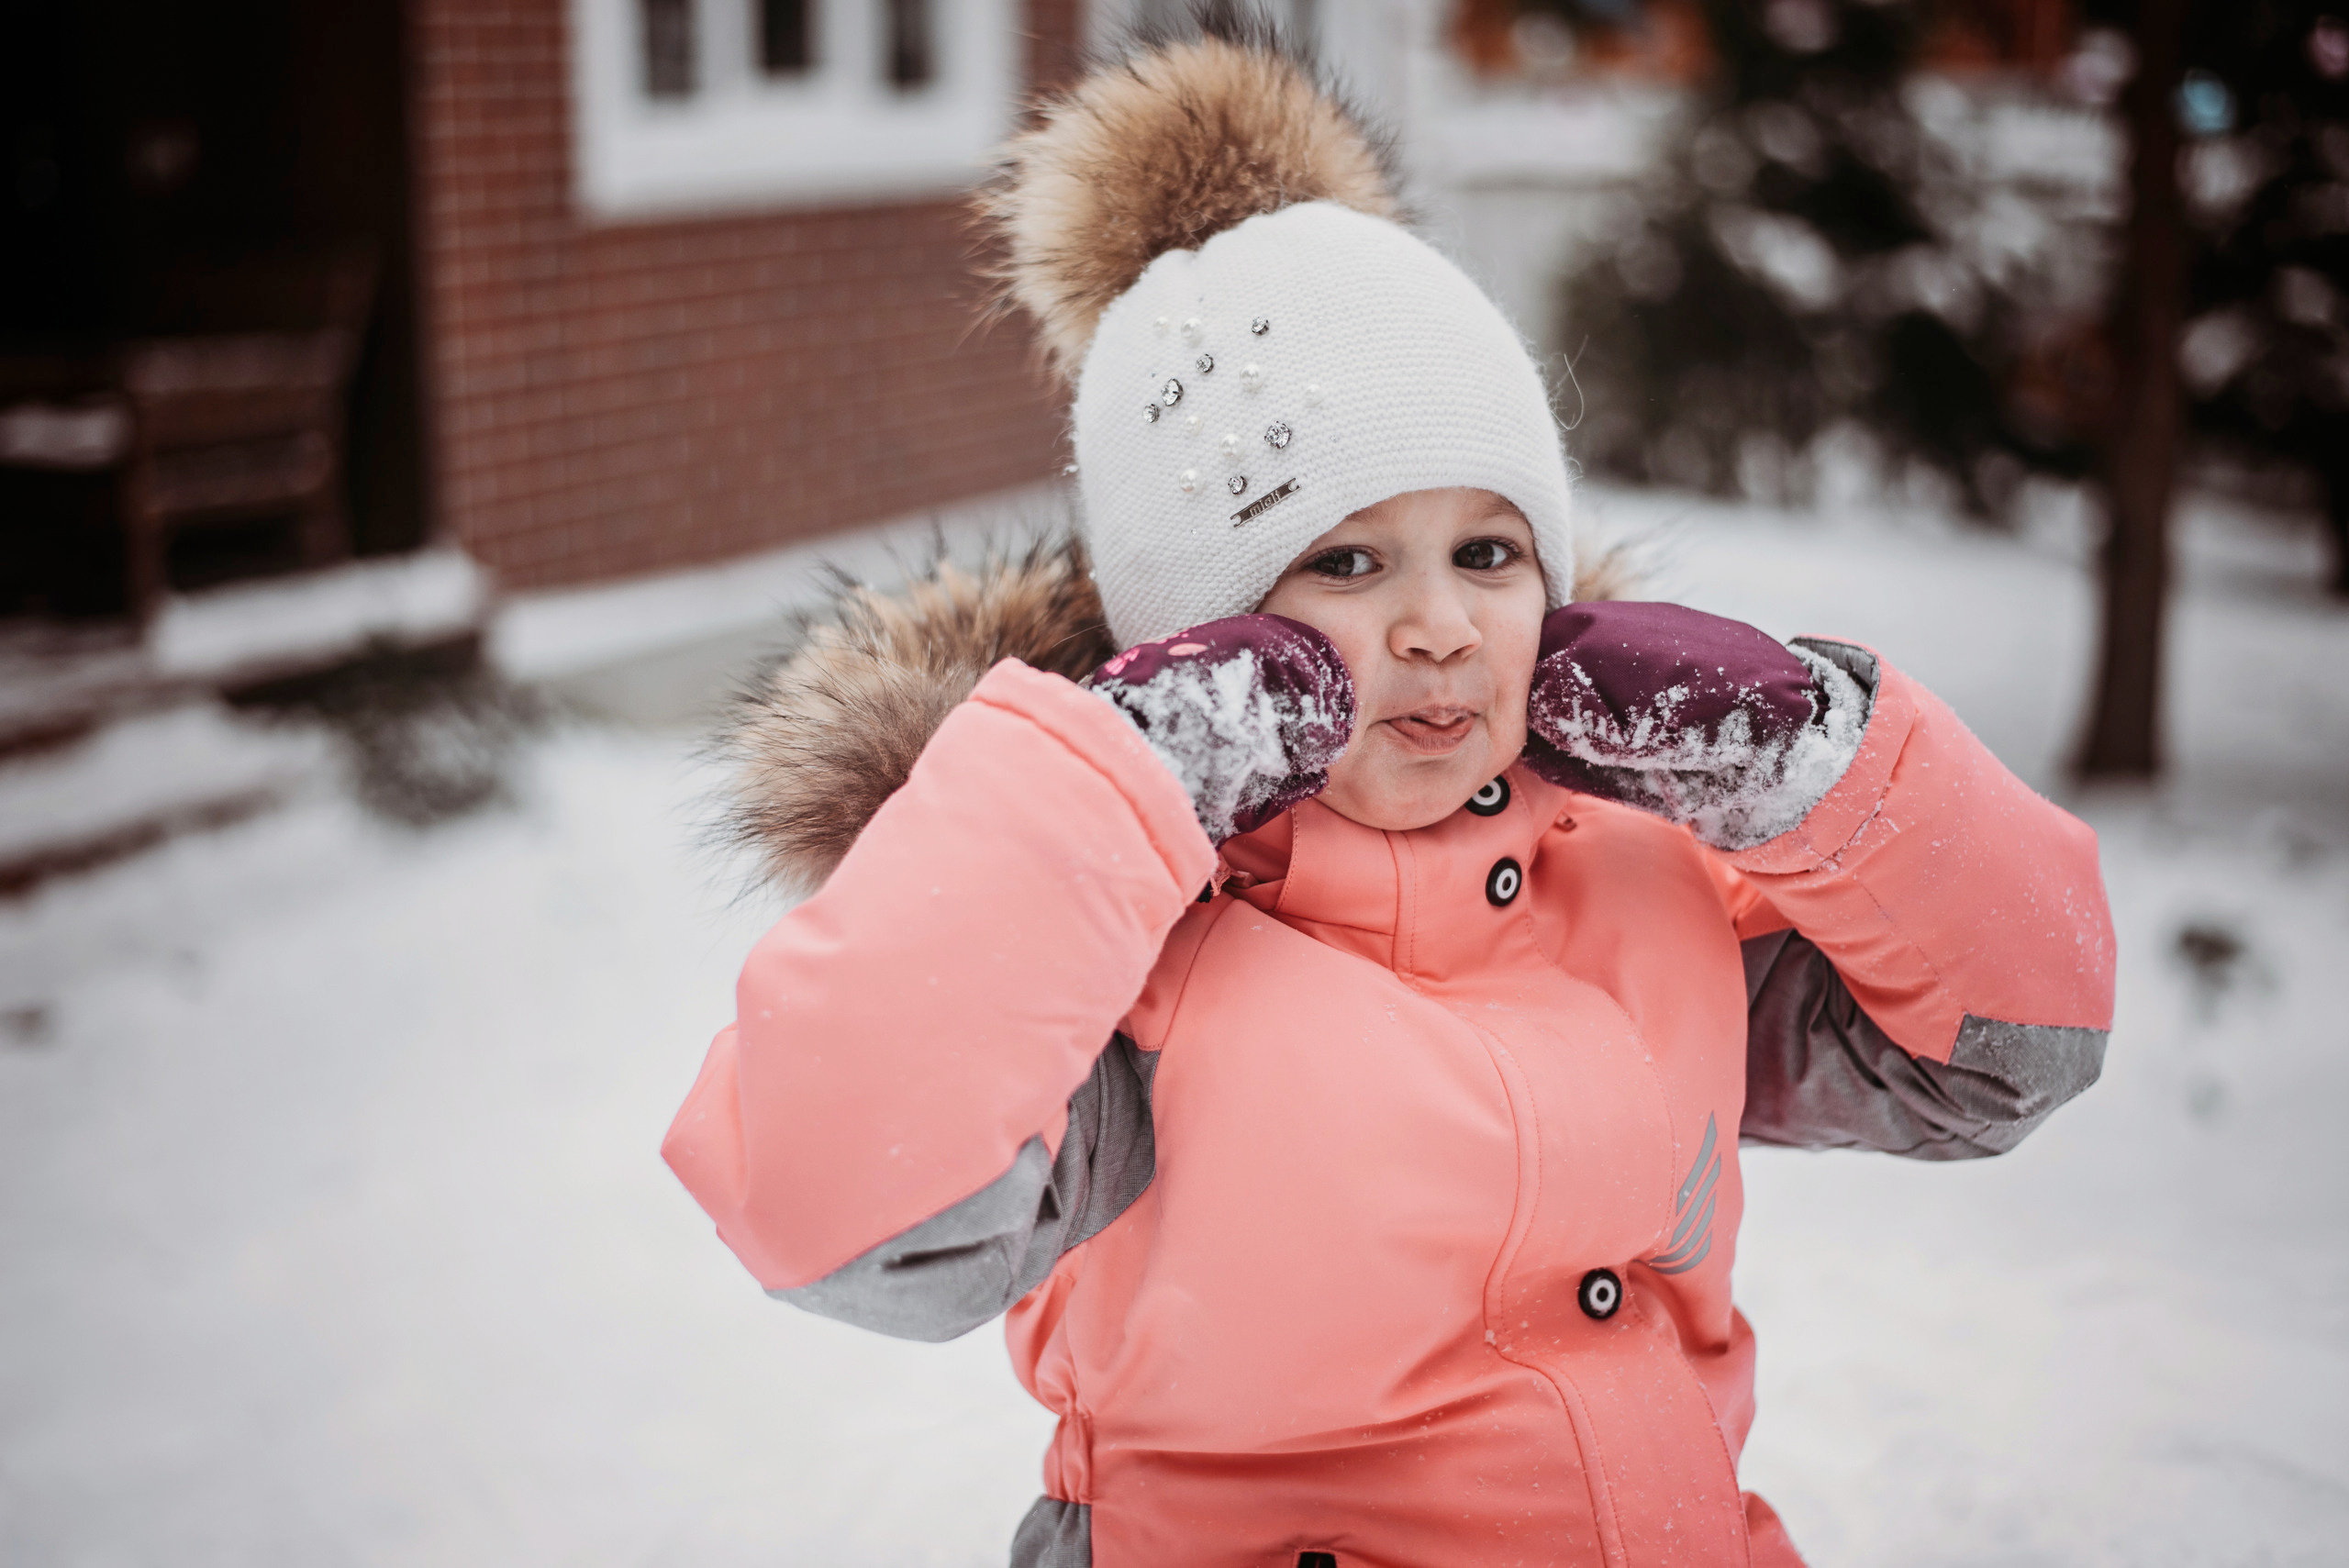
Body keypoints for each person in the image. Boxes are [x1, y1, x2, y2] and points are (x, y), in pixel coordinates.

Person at [662, 25, 2115, 1568]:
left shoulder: (1640, 882)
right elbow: (848, 1219)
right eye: (1346, 561)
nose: (1439, 625)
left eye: (1488, 551)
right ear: (1205, 635)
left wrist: (1820, 766)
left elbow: (2008, 1054)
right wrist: (1109, 786)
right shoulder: (1138, 976)